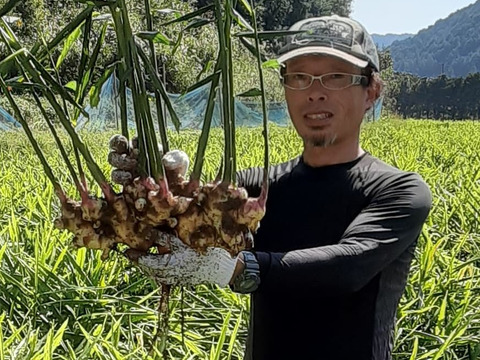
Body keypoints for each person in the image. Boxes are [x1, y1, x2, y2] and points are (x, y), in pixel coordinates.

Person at [113, 14, 432, 360]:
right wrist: (158, 181)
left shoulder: (398, 191)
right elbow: (186, 217)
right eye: (299, 77)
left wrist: (237, 269)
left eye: (336, 77)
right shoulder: (258, 189)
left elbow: (347, 268)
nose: (315, 93)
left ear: (372, 91)